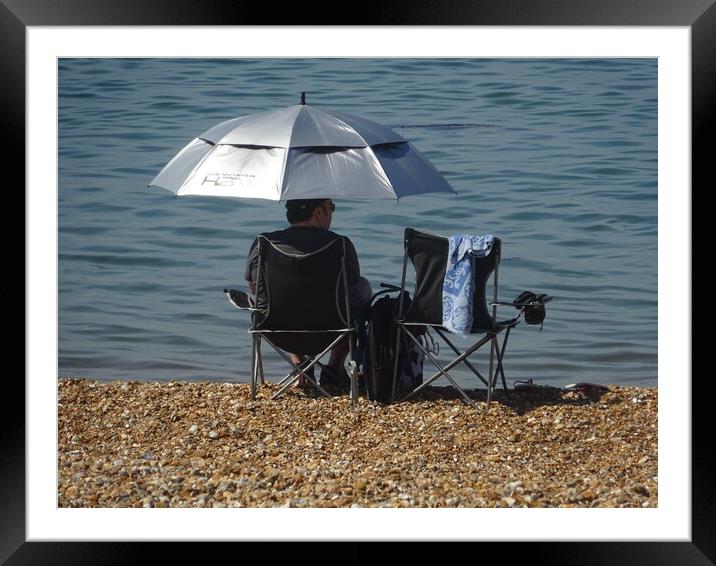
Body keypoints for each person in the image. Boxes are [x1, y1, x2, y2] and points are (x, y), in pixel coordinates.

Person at [245, 198, 372, 390]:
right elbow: (352, 285)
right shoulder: (341, 244)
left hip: (275, 329)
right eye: (331, 207)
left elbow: (254, 287)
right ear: (318, 213)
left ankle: (300, 365)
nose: (332, 212)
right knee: (363, 287)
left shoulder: (263, 243)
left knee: (279, 298)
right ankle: (334, 367)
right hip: (333, 331)